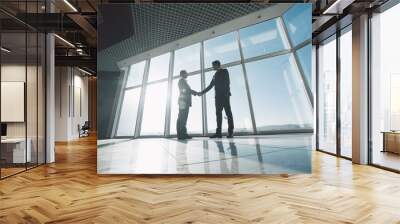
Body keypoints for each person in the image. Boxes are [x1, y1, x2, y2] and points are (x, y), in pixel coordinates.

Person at [198, 60, 234, 138]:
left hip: (224, 96)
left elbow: (227, 82)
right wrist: (201, 92)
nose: (212, 67)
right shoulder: (215, 75)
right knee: (218, 114)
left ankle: (230, 132)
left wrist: (225, 93)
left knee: (228, 113)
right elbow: (210, 86)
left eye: (213, 66)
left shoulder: (225, 71)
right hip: (217, 97)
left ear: (218, 65)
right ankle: (218, 133)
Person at [176, 70, 199, 140]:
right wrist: (195, 92)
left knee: (184, 118)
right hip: (183, 101)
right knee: (182, 117)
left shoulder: (183, 81)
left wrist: (194, 92)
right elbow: (185, 90)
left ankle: (183, 133)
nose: (187, 74)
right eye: (186, 73)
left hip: (185, 101)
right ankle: (180, 134)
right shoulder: (181, 81)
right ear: (183, 74)